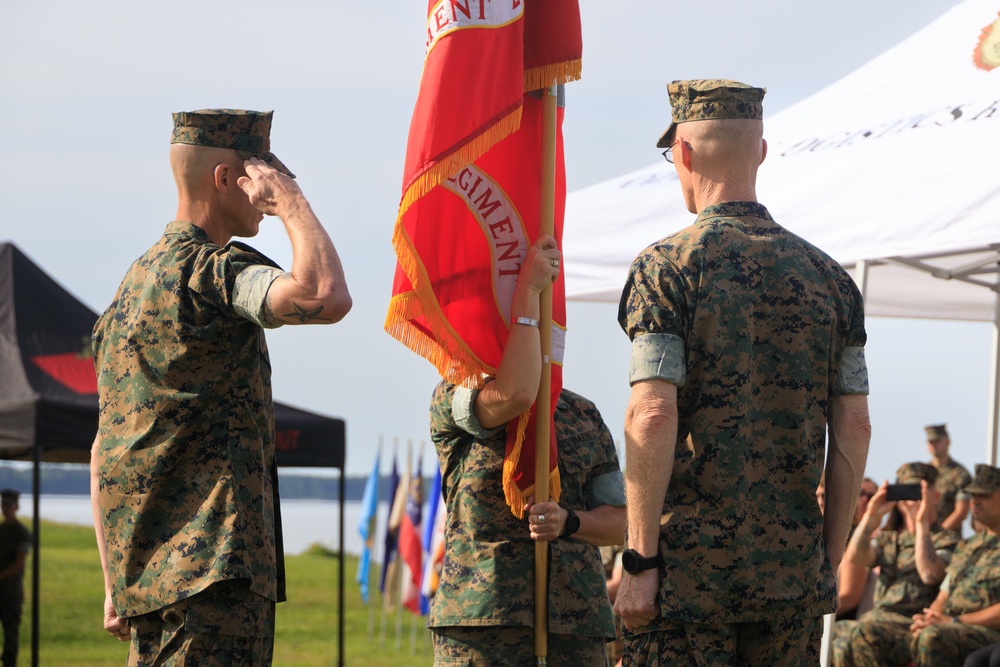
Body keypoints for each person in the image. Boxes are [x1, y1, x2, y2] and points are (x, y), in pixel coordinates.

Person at [614, 79, 872, 665]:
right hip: (791, 583)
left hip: (685, 582)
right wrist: (826, 563)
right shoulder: (830, 279)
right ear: (760, 151)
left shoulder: (666, 268)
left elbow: (653, 412)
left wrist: (639, 560)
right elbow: (855, 427)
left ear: (682, 153)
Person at [90, 109, 351, 666]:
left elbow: (105, 449)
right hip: (213, 579)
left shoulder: (125, 299)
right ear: (227, 179)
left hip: (149, 588)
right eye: (263, 171)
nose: (270, 185)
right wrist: (292, 205)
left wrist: (116, 581)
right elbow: (324, 295)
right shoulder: (211, 272)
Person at [427, 235, 626, 666]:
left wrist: (569, 522)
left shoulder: (582, 415)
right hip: (483, 624)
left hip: (573, 626)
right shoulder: (455, 394)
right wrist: (526, 294)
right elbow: (516, 393)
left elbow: (619, 524)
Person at [832, 462, 960, 666]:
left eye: (918, 493)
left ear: (935, 497)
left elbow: (929, 574)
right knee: (834, 635)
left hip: (912, 624)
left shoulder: (946, 541)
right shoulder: (890, 540)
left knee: (864, 633)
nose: (911, 502)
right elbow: (857, 557)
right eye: (907, 493)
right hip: (877, 619)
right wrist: (871, 517)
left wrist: (921, 524)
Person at [836, 476, 881, 621]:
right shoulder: (839, 534)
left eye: (872, 496)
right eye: (860, 494)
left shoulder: (883, 538)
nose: (866, 500)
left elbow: (849, 598)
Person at [0, 490, 30, 667]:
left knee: (11, 632)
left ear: (16, 507)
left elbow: (19, 563)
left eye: (9, 505)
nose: (5, 508)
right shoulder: (1, 530)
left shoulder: (22, 533)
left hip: (11, 591)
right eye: (3, 505)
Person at [926, 423, 972, 535]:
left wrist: (938, 535)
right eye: (930, 442)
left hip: (948, 540)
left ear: (948, 442)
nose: (933, 445)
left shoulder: (960, 474)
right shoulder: (922, 473)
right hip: (920, 536)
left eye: (937, 441)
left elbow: (961, 512)